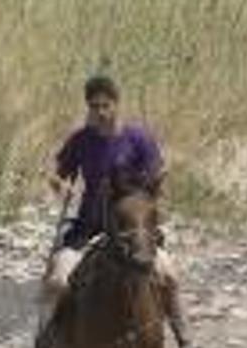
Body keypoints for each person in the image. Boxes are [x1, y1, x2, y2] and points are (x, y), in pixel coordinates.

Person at [40, 75, 193, 347]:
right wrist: (59, 185)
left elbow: (158, 173)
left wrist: (154, 191)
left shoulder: (138, 138)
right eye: (94, 106)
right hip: (88, 227)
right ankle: (47, 336)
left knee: (168, 274)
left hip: (132, 227)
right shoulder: (81, 140)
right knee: (58, 281)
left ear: (117, 104)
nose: (100, 112)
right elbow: (58, 172)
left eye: (105, 105)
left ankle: (183, 335)